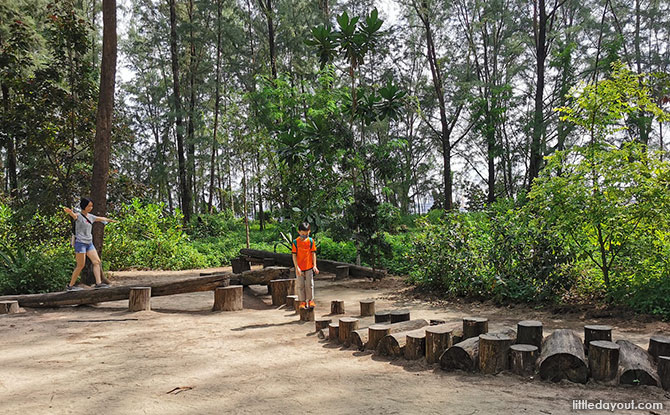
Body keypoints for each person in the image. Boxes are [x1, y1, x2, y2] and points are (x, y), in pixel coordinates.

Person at [63, 197, 117, 291]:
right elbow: (73, 215)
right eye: (89, 206)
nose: (91, 207)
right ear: (84, 206)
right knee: (80, 265)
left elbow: (100, 218)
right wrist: (69, 212)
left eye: (91, 206)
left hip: (89, 243)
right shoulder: (78, 216)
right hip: (80, 243)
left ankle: (98, 283)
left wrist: (110, 220)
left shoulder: (91, 217)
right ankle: (70, 286)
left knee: (96, 262)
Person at [291, 222, 319, 310]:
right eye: (303, 234)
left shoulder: (311, 241)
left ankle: (310, 300)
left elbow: (313, 253)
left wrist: (314, 265)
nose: (304, 236)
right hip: (299, 268)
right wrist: (297, 267)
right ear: (299, 232)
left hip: (309, 267)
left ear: (309, 232)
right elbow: (294, 255)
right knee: (300, 285)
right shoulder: (296, 242)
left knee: (310, 284)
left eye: (306, 234)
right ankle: (302, 301)